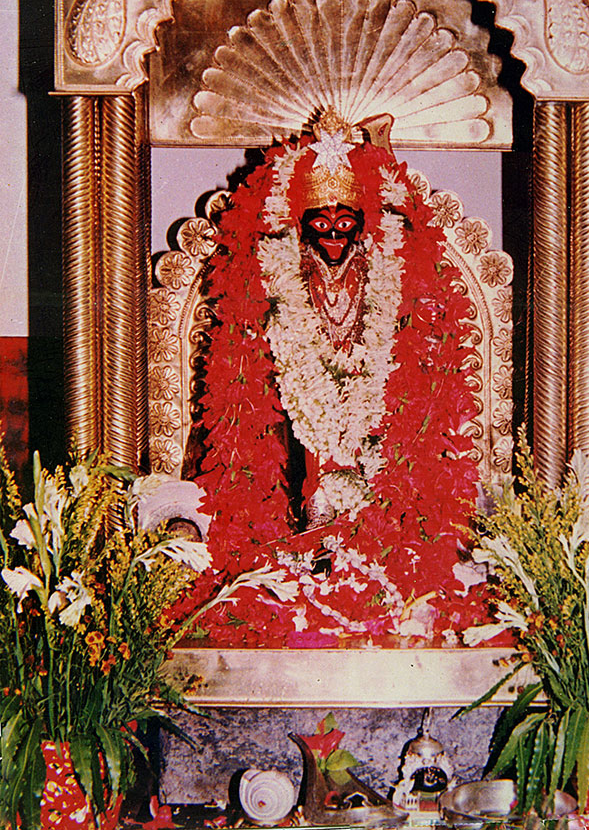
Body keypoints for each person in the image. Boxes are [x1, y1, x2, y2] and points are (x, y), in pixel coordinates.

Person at [180, 108, 487, 646]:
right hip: (295, 449)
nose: (333, 234)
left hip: (381, 457)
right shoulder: (276, 279)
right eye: (318, 222)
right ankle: (310, 552)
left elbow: (418, 260)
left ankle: (364, 555)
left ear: (366, 224)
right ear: (297, 227)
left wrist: (384, 165)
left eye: (346, 221)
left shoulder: (388, 275)